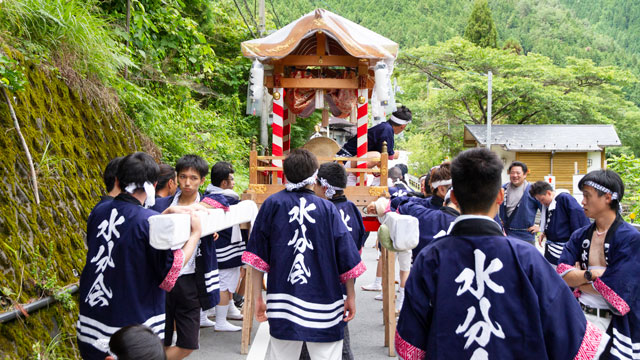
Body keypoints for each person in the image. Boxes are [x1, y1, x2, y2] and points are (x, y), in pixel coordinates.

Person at [395, 148, 605, 360]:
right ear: (500, 196)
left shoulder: (430, 257)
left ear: (455, 198)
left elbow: (410, 345)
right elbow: (573, 339)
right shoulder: (528, 257)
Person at [77, 152, 202, 360]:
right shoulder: (149, 221)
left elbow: (128, 236)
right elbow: (171, 271)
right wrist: (195, 234)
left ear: (118, 180)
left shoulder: (99, 211)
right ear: (153, 185)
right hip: (131, 334)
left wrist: (160, 217)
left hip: (90, 325)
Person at [242, 149, 365, 360]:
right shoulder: (327, 208)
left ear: (284, 174)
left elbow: (257, 258)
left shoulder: (272, 204)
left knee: (282, 356)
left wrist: (257, 298)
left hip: (283, 300)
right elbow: (347, 258)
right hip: (324, 301)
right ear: (315, 176)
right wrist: (351, 297)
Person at [558, 169, 640, 357]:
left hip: (615, 324)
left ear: (608, 198)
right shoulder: (579, 235)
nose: (582, 202)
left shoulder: (631, 239)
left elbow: (620, 289)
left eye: (587, 196)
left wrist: (578, 279)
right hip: (581, 317)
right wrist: (593, 275)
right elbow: (562, 274)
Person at [151, 155, 217, 360]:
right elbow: (146, 226)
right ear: (176, 178)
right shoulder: (160, 204)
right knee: (158, 339)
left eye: (194, 178)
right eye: (183, 177)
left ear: (202, 180)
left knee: (188, 343)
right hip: (161, 280)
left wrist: (204, 212)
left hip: (190, 280)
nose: (187, 183)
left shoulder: (209, 203)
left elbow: (227, 201)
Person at [307, 161, 366, 360]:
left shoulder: (318, 210)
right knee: (339, 337)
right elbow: (357, 249)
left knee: (312, 337)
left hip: (320, 283)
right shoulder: (353, 210)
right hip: (344, 284)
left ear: (323, 186)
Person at [202, 161, 245, 332]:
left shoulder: (206, 195)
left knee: (211, 281)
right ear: (224, 183)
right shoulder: (228, 198)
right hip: (226, 245)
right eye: (232, 179)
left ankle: (206, 316)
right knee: (225, 283)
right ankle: (220, 321)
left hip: (213, 246)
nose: (234, 183)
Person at [529, 181, 590, 266]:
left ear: (549, 193)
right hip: (551, 248)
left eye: (542, 199)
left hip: (564, 249)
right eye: (539, 201)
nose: (542, 203)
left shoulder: (564, 198)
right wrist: (544, 231)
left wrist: (578, 252)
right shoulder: (548, 204)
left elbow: (579, 223)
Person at [498, 161, 541, 244]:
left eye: (518, 173)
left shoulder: (533, 189)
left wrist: (540, 227)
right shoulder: (503, 188)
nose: (515, 175)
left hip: (526, 236)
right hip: (506, 234)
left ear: (525, 174)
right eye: (512, 173)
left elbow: (546, 208)